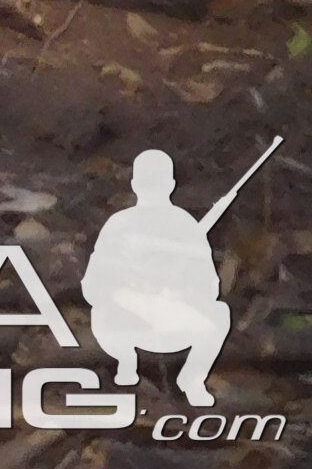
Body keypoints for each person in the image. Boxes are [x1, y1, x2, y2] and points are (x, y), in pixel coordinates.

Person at [84, 147, 233, 407]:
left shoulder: (186, 225)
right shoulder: (119, 225)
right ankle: (126, 361)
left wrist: (179, 289)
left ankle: (193, 379)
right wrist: (127, 287)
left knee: (219, 314)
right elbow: (93, 286)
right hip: (126, 321)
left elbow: (210, 286)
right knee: (107, 309)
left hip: (171, 319)